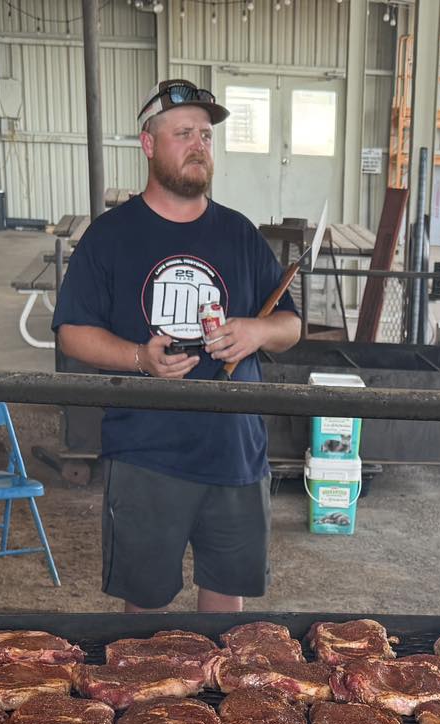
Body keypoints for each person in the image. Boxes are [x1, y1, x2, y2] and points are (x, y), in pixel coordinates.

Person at [52, 80, 303, 614]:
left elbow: (292, 325)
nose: (199, 146)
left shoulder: (239, 234)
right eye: (183, 133)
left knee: (225, 609)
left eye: (207, 136)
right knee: (144, 610)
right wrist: (139, 358)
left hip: (234, 451)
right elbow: (72, 331)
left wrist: (257, 332)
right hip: (147, 453)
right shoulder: (111, 237)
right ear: (149, 145)